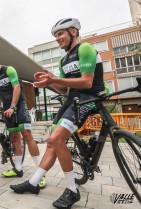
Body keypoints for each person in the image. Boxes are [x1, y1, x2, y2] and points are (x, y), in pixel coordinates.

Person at [10, 18, 106, 209]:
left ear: (73, 32)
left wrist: (54, 79)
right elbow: (63, 90)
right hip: (71, 100)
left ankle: (72, 190)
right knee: (52, 141)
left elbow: (87, 82)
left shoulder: (84, 49)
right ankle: (34, 183)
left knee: (56, 139)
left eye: (60, 34)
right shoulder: (64, 60)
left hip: (89, 98)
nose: (58, 39)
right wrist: (50, 82)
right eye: (55, 36)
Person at [0, 52, 43, 181]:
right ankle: (18, 169)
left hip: (19, 104)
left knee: (27, 135)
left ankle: (41, 172)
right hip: (7, 108)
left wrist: (12, 107)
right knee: (15, 138)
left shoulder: (9, 70)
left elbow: (16, 87)